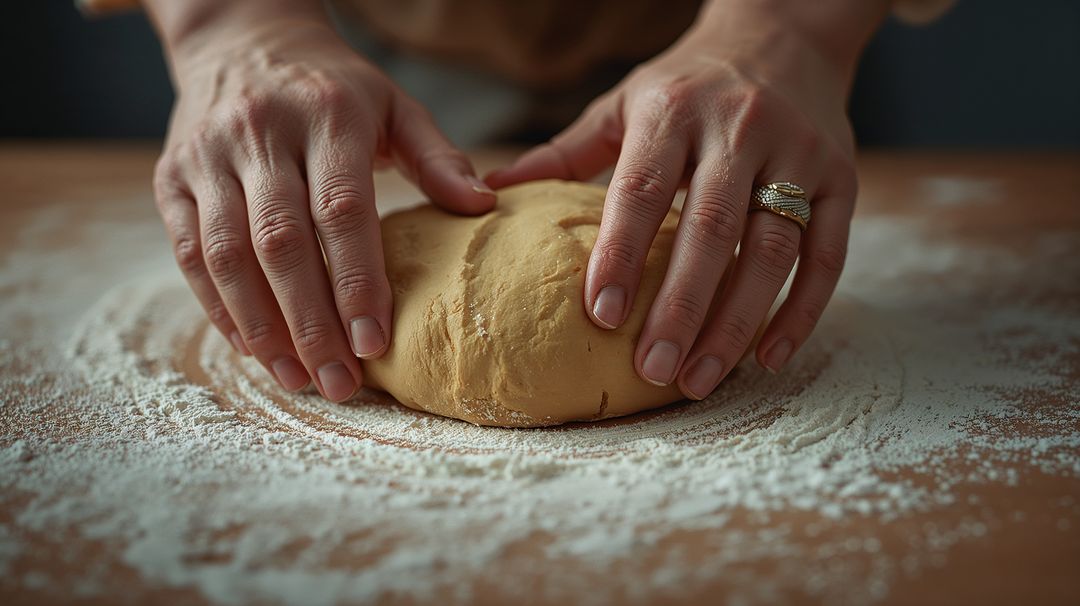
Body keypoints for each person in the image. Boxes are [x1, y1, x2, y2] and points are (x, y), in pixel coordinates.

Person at [86, 0, 951, 403]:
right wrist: (229, 24)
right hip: (380, 44)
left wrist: (792, 29)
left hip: (744, 68)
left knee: (739, 224)